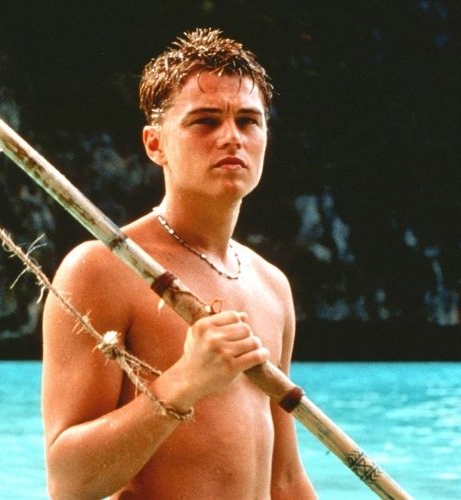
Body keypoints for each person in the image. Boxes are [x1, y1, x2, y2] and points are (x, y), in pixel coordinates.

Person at [41, 28, 317, 499]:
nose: (231, 137)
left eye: (249, 121)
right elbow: (69, 484)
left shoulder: (271, 285)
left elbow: (284, 480)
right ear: (155, 144)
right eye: (205, 121)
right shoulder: (105, 269)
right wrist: (185, 382)